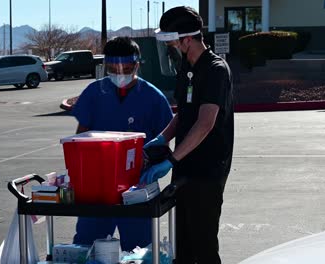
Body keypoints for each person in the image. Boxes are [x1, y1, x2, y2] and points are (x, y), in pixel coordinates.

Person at [140, 6, 234, 264]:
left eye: (173, 41)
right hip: (184, 166)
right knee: (182, 247)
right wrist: (162, 138)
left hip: (207, 171)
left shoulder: (215, 70)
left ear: (188, 39)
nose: (171, 47)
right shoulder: (187, 67)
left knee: (203, 246)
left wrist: (170, 161)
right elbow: (184, 113)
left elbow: (204, 123)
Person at [71, 36, 173, 251]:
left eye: (126, 69)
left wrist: (157, 167)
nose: (119, 74)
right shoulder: (94, 92)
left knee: (139, 250)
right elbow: (79, 139)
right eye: (113, 69)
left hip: (137, 188)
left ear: (137, 64)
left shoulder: (153, 98)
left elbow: (165, 142)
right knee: (86, 247)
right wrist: (77, 176)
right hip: (96, 188)